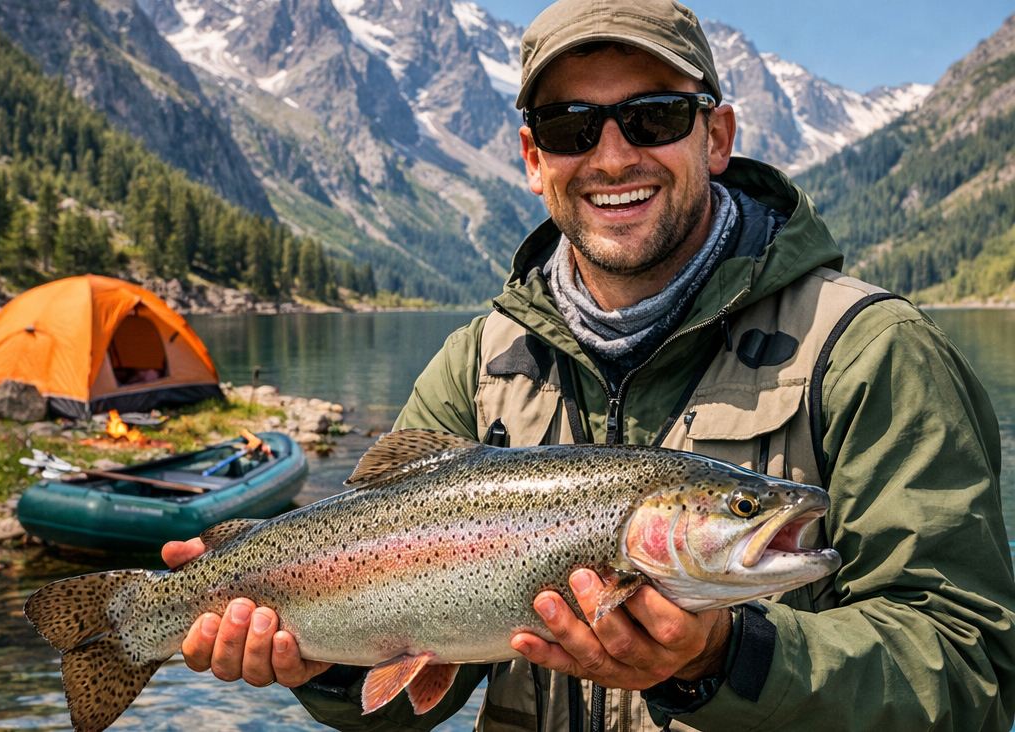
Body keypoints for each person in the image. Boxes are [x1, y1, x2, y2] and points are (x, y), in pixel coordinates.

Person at [162, 0, 1015, 728]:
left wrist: (728, 656)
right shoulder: (475, 366)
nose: (611, 158)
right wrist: (321, 665)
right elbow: (404, 703)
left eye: (654, 118)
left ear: (716, 136)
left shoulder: (869, 351)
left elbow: (971, 672)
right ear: (534, 160)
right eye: (572, 128)